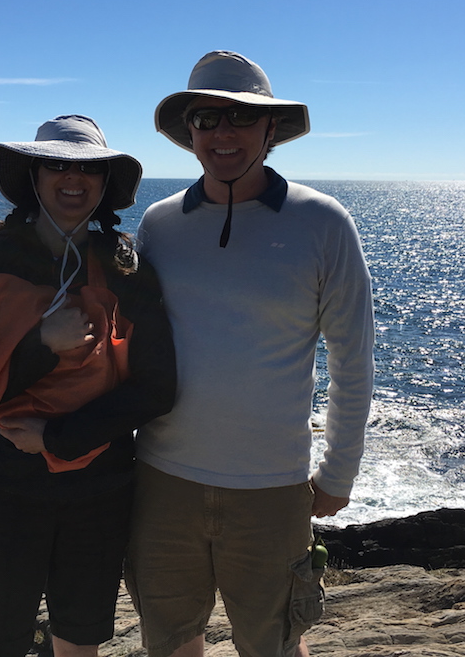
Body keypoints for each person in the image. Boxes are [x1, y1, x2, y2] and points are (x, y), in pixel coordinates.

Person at [126, 52, 375, 657]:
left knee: (274, 643)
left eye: (241, 118)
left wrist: (339, 471)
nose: (223, 133)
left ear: (271, 130)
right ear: (190, 132)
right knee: (171, 640)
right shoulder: (158, 225)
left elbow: (353, 357)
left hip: (272, 487)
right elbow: (129, 344)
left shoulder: (323, 222)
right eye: (207, 119)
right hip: (161, 480)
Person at [0, 115, 177, 657]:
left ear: (105, 181)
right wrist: (42, 343)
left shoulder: (126, 268)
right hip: (6, 490)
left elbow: (158, 387)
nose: (74, 178)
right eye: (57, 165)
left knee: (79, 636)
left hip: (100, 491)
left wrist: (57, 437)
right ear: (34, 176)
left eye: (88, 167)